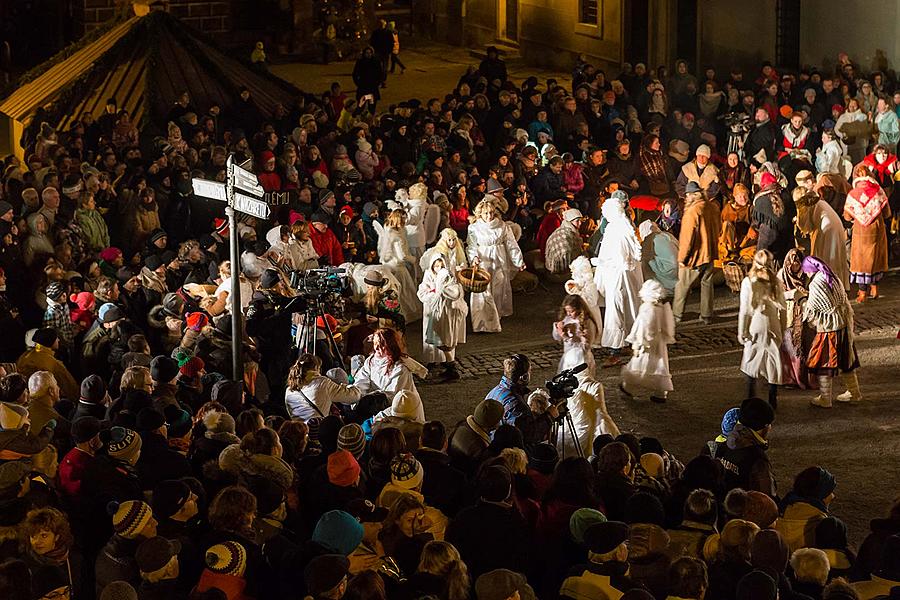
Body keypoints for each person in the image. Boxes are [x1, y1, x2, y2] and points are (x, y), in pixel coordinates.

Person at [802, 257, 863, 408]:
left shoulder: (816, 283)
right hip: (843, 325)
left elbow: (812, 310)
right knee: (847, 359)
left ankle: (825, 398)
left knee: (824, 362)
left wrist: (803, 302)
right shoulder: (831, 275)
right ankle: (854, 393)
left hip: (829, 329)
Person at [594, 191, 643, 355]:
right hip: (618, 274)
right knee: (626, 307)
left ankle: (617, 347)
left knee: (618, 309)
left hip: (619, 275)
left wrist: (602, 264)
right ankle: (628, 341)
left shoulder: (619, 228)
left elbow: (622, 256)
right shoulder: (617, 226)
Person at [466, 199, 525, 333]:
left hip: (499, 259)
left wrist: (518, 261)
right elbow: (471, 245)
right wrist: (473, 257)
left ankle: (495, 318)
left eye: (491, 213)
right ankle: (481, 321)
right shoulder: (474, 227)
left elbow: (511, 244)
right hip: (483, 259)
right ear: (480, 213)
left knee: (499, 286)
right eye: (486, 213)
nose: (489, 216)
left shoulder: (502, 226)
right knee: (483, 289)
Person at [738, 250, 787, 409]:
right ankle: (773, 401)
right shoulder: (776, 281)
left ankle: (749, 399)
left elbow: (745, 309)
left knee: (751, 360)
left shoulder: (748, 282)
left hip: (756, 323)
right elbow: (783, 308)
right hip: (773, 324)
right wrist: (783, 328)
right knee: (773, 360)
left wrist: (742, 331)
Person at [619, 279, 675, 404]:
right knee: (659, 366)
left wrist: (637, 344)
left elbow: (643, 328)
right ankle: (661, 393)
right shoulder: (661, 308)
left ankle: (628, 387)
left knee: (638, 365)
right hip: (659, 343)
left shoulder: (647, 309)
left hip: (646, 344)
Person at [673, 182, 721, 324]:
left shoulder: (692, 212)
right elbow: (718, 229)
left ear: (691, 195)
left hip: (695, 257)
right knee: (707, 284)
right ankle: (706, 315)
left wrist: (682, 258)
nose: (685, 198)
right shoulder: (712, 207)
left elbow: (687, 238)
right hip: (710, 253)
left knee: (682, 285)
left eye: (687, 195)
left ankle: (677, 315)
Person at [794, 171, 850, 291]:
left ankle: (827, 287)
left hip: (826, 228)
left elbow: (805, 225)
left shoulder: (805, 203)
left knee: (825, 257)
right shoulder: (814, 198)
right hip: (833, 225)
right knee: (833, 256)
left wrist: (797, 219)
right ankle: (836, 285)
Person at [844, 165, 891, 303]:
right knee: (875, 258)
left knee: (861, 262)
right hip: (877, 228)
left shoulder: (853, 194)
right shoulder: (878, 190)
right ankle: (875, 288)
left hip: (860, 231)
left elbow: (847, 216)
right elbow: (887, 213)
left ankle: (862, 292)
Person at [417, 252, 467, 379]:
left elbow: (455, 294)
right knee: (439, 339)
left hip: (445, 315)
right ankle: (438, 362)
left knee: (444, 340)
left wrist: (441, 291)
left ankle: (450, 366)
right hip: (434, 313)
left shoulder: (448, 280)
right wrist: (433, 295)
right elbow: (422, 292)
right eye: (436, 266)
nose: (438, 269)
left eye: (441, 266)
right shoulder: (429, 275)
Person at [284, 354, 361, 422]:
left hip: (299, 432)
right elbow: (354, 396)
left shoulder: (289, 390)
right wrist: (347, 385)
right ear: (316, 367)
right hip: (317, 432)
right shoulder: (322, 383)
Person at [552, 294, 599, 376]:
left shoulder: (587, 323)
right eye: (567, 311)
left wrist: (570, 337)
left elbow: (586, 347)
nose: (568, 314)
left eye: (571, 311)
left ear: (580, 310)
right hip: (568, 358)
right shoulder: (567, 319)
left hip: (581, 360)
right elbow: (557, 337)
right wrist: (558, 330)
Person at [545, 208, 585, 274]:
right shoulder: (566, 234)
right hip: (558, 268)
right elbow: (566, 254)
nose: (580, 223)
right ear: (569, 221)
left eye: (581, 220)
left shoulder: (569, 230)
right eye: (577, 221)